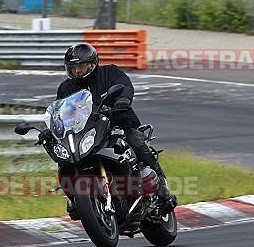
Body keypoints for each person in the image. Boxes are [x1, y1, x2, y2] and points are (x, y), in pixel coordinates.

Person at [57, 42, 177, 215]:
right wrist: (54, 128)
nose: (77, 71)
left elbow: (125, 86)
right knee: (65, 159)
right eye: (73, 68)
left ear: (92, 64)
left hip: (118, 122)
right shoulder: (66, 88)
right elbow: (61, 110)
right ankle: (75, 198)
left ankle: (163, 189)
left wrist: (122, 100)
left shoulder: (110, 73)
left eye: (81, 66)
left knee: (135, 140)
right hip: (86, 133)